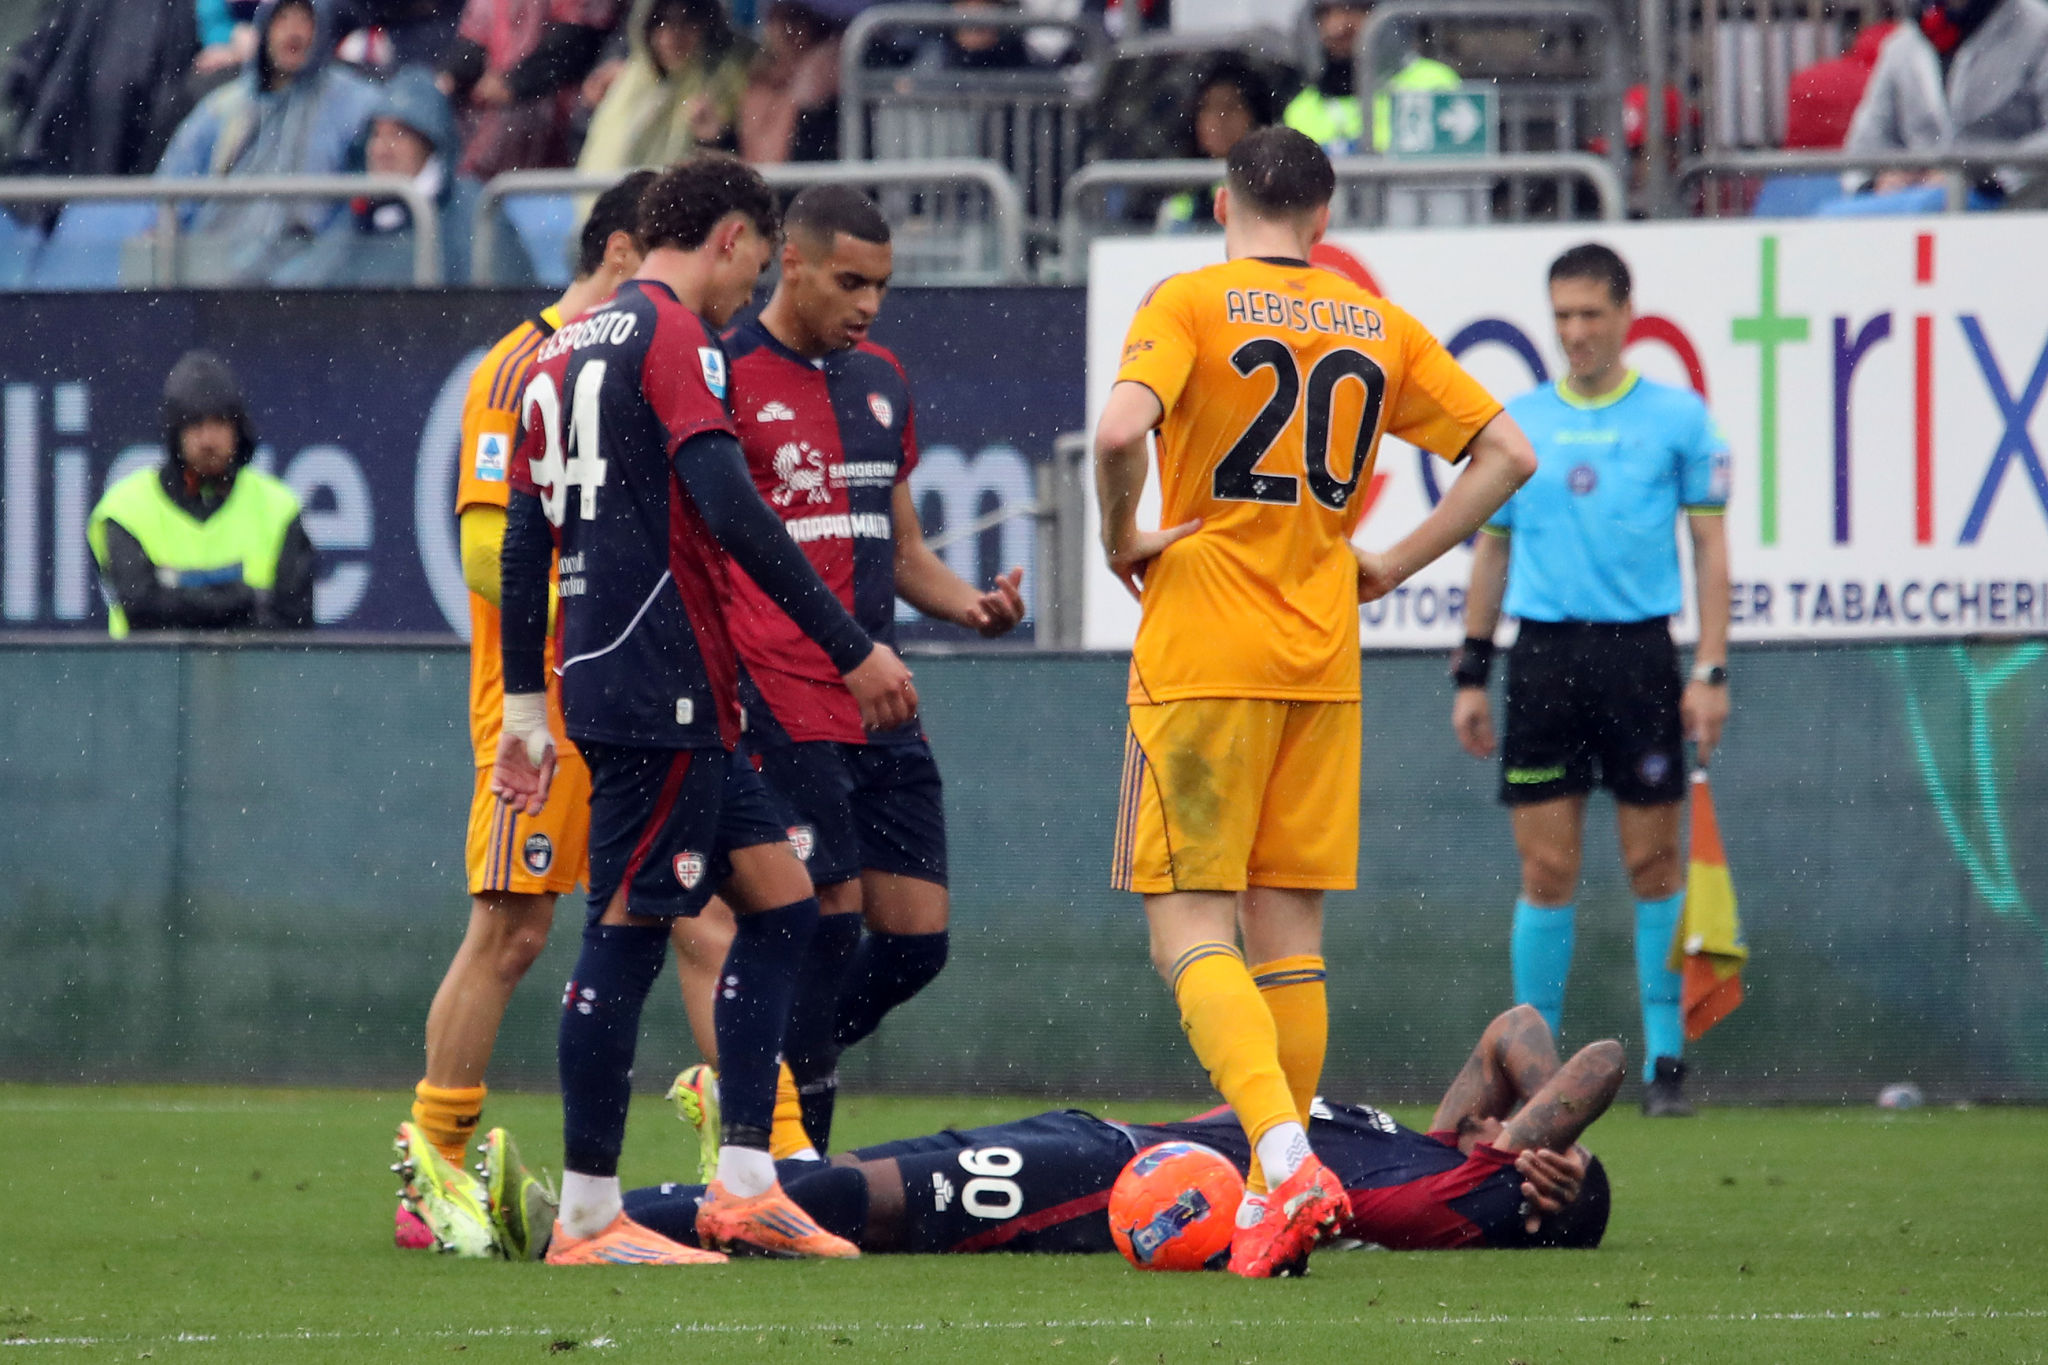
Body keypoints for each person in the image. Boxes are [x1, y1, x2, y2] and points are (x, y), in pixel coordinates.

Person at [1092, 125, 1536, 1278]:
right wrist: (1390, 561)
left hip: (1200, 653)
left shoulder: (1189, 298)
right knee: (1287, 939)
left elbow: (1115, 430)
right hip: (1318, 660)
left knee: (1189, 928)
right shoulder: (1372, 324)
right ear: (1323, 220)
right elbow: (1505, 453)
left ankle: (1285, 1162)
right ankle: (1262, 1199)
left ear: (1219, 201)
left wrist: (1119, 534)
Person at [491, 153, 918, 1266]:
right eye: (757, 261)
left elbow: (526, 534)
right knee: (624, 935)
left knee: (782, 914)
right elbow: (729, 503)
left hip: (635, 683)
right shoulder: (672, 336)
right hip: (660, 685)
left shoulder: (558, 348)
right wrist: (850, 645)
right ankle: (587, 1216)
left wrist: (529, 707)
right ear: (727, 238)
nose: (749, 292)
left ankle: (743, 1184)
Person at [391, 169, 727, 1254]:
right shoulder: (522, 364)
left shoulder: (631, 359)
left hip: (625, 689)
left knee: (699, 911)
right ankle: (431, 1168)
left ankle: (756, 1156)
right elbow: (491, 546)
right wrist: (603, 573)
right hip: (538, 702)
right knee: (512, 929)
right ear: (627, 249)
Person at [716, 185, 1026, 1157]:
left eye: (882, 287)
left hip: (880, 699)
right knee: (822, 924)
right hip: (781, 695)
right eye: (849, 282)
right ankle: (788, 1159)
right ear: (791, 264)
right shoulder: (724, 376)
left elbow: (899, 550)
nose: (868, 305)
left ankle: (756, 1069)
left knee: (915, 943)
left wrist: (969, 604)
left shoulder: (881, 380)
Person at [449, 1005, 1620, 1259]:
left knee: (879, 1201)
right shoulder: (1432, 1147)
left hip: (1131, 1192)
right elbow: (1514, 1026)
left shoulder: (1467, 1199)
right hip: (1111, 1136)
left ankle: (576, 1223)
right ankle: (605, 1214)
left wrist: (1527, 1160)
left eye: (1547, 1165)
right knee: (869, 1176)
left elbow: (1594, 1062)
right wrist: (1489, 1125)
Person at [1449, 243, 1731, 1120]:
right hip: (1542, 663)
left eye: (1590, 314)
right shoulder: (1520, 421)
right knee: (1546, 869)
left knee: (1653, 863)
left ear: (1626, 314)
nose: (1575, 331)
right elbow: (1491, 548)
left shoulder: (1678, 419)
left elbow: (1711, 548)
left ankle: (1666, 1066)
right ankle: (1536, 1072)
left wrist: (1711, 668)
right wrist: (1471, 670)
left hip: (1641, 660)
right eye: (1562, 315)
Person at [87, 351, 315, 638]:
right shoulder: (126, 511)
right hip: (150, 680)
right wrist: (246, 600)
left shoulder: (279, 509)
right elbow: (141, 610)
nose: (208, 440)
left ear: (238, 429)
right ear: (175, 432)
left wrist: (177, 597)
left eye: (219, 423)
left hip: (255, 680)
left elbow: (294, 624)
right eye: (195, 424)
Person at [153, 0, 382, 284]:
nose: (294, 32)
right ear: (264, 28)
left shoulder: (357, 104)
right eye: (282, 19)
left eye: (305, 20)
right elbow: (170, 193)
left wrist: (322, 263)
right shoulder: (222, 109)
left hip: (315, 286)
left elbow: (366, 197)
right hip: (215, 280)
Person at [273, 63, 499, 286]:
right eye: (377, 135)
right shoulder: (353, 215)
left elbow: (509, 309)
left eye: (399, 135)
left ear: (429, 143)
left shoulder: (473, 209)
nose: (382, 149)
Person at [1845, 0, 2048, 201]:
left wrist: (1984, 179)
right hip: (1915, 207)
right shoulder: (1903, 44)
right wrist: (1881, 180)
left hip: (2016, 209)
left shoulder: (2039, 30)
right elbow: (1865, 145)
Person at [575, 0, 747, 174]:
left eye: (688, 22)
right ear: (645, 29)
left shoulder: (724, 85)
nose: (674, 35)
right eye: (662, 22)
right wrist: (589, 108)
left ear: (706, 27)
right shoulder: (623, 81)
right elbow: (582, 151)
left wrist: (714, 141)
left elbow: (731, 176)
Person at [1283, 0, 1458, 157]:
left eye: (1352, 9)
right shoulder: (1300, 110)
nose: (1336, 28)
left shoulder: (1435, 84)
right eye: (1325, 13)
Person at [435, 0, 577, 180]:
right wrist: (449, 76)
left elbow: (574, 41)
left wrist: (515, 84)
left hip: (554, 118)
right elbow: (473, 43)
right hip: (494, 118)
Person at [1155, 58, 1275, 233]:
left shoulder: (1273, 188)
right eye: (1207, 107)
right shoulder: (1178, 203)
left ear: (1254, 117)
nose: (1219, 118)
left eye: (1231, 106)